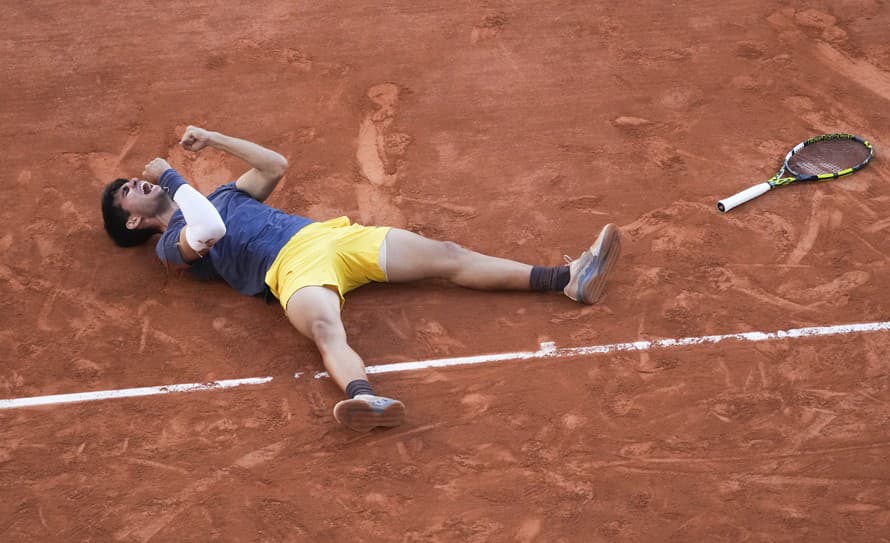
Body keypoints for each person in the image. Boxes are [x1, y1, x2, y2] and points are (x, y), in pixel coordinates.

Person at [100, 126, 621, 432]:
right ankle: (364, 396)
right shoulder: (172, 246)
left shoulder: (221, 195)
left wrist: (212, 138)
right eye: (128, 190)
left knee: (446, 254)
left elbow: (275, 164)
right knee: (327, 330)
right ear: (132, 220)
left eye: (136, 180)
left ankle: (567, 278)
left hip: (333, 239)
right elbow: (207, 228)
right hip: (289, 271)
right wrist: (171, 176)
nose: (137, 182)